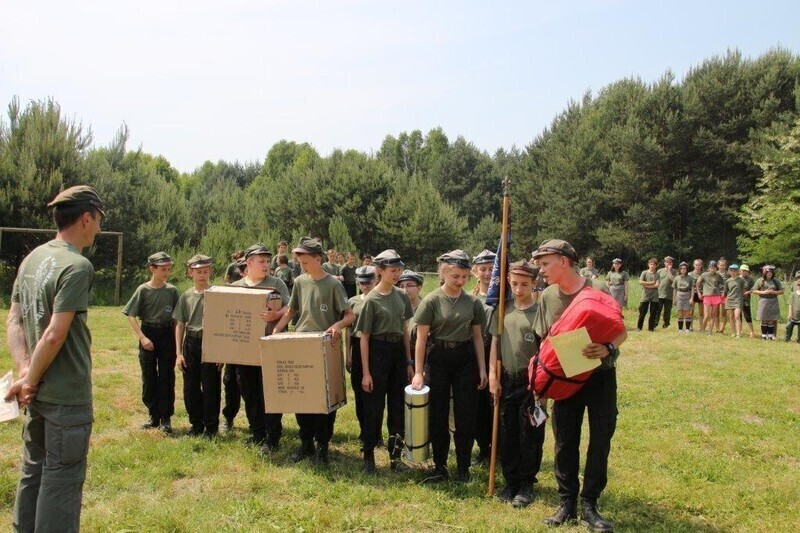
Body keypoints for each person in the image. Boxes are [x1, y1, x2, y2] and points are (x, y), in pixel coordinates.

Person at [5, 185, 105, 533]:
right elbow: (53, 333)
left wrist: (24, 373)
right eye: (98, 221)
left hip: (37, 394)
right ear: (86, 217)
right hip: (66, 396)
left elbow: (13, 320)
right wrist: (29, 379)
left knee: (34, 469)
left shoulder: (31, 259)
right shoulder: (77, 266)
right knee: (62, 479)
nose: (99, 229)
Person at [530, 239, 626, 532]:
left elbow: (621, 330)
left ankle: (590, 505)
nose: (542, 271)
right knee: (564, 440)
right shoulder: (547, 296)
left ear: (564, 261)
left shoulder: (597, 290)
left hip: (599, 377)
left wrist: (608, 347)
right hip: (565, 381)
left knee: (600, 439)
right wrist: (540, 386)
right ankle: (567, 503)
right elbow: (542, 341)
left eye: (545, 264)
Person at [273, 237, 354, 466]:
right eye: (299, 260)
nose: (301, 264)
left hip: (326, 347)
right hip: (302, 345)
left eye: (305, 260)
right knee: (302, 396)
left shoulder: (333, 285)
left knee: (325, 400)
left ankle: (323, 446)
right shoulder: (299, 281)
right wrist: (277, 331)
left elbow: (349, 315)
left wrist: (337, 326)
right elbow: (291, 311)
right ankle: (305, 442)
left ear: (318, 259)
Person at [411, 250, 487, 483]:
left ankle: (463, 466)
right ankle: (440, 465)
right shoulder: (432, 301)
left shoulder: (473, 303)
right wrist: (418, 372)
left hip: (465, 359)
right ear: (444, 274)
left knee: (466, 415)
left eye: (465, 276)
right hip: (439, 358)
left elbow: (477, 338)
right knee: (438, 414)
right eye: (456, 276)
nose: (461, 281)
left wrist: (482, 369)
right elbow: (421, 338)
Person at [488, 260, 545, 509]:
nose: (518, 289)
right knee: (507, 432)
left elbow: (546, 352)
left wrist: (543, 390)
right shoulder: (503, 310)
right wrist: (492, 375)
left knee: (531, 433)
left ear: (534, 284)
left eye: (524, 284)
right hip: (506, 379)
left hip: (532, 382)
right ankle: (510, 481)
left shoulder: (540, 313)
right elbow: (494, 344)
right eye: (514, 284)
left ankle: (526, 483)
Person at [356, 250, 414, 473]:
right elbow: (364, 338)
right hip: (377, 351)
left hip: (398, 352)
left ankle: (395, 457)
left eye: (399, 270)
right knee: (374, 407)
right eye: (393, 270)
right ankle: (369, 456)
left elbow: (405, 329)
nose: (397, 274)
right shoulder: (371, 300)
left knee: (398, 407)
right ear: (380, 272)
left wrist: (408, 361)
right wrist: (367, 373)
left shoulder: (401, 295)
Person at [230, 243, 291, 453]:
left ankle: (272, 437)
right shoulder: (237, 287)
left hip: (271, 348)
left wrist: (277, 314)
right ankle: (257, 433)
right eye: (261, 261)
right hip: (244, 351)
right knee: (249, 392)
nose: (266, 265)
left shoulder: (277, 284)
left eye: (268, 261)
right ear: (249, 263)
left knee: (271, 392)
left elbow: (291, 307)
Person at [122, 251, 180, 433]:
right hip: (148, 333)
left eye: (169, 269)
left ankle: (166, 418)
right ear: (152, 269)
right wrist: (142, 337)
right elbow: (131, 315)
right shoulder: (143, 290)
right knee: (148, 376)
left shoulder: (172, 291)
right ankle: (153, 415)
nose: (166, 273)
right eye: (163, 269)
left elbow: (178, 318)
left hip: (167, 334)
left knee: (166, 376)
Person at [174, 254, 222, 436]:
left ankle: (211, 427)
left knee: (211, 386)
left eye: (205, 271)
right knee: (190, 386)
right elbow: (180, 324)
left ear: (209, 271)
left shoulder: (217, 294)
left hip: (211, 341)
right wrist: (179, 353)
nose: (202, 275)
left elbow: (223, 325)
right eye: (198, 272)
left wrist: (221, 352)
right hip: (191, 343)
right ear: (190, 273)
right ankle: (196, 424)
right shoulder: (186, 296)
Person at [347, 265, 377, 448]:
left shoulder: (378, 299)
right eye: (362, 283)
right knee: (359, 390)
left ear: (375, 281)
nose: (365, 286)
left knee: (376, 392)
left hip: (376, 345)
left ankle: (374, 431)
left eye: (368, 282)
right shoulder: (352, 301)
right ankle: (363, 429)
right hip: (358, 346)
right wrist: (348, 354)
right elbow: (349, 329)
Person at [471, 248, 496, 466]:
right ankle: (482, 447)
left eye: (491, 268)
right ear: (475, 272)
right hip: (476, 356)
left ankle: (498, 447)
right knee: (478, 406)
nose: (488, 273)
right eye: (483, 269)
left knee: (495, 404)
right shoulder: (470, 299)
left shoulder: (502, 298)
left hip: (497, 355)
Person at [753, 265, 783, 340]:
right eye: (768, 273)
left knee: (771, 320)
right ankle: (763, 336)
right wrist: (764, 292)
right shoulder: (760, 280)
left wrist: (774, 292)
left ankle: (770, 336)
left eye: (771, 273)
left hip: (773, 301)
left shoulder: (775, 280)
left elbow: (782, 291)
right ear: (764, 273)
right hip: (763, 301)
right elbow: (754, 291)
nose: (769, 274)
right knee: (764, 319)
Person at [697, 261, 724, 335]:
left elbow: (723, 284)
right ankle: (702, 329)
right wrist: (699, 292)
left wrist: (723, 292)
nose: (712, 269)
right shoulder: (704, 275)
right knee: (706, 315)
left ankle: (710, 331)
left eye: (714, 268)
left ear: (716, 268)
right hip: (707, 296)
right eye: (711, 268)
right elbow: (698, 283)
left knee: (713, 315)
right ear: (709, 268)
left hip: (716, 296)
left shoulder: (718, 276)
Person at [637, 258, 660, 332]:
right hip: (645, 295)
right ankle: (639, 327)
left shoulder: (657, 274)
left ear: (656, 266)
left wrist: (646, 285)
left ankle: (651, 328)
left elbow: (657, 285)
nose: (652, 266)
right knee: (642, 312)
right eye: (651, 264)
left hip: (654, 296)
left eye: (654, 264)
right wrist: (651, 283)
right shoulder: (644, 273)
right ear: (648, 265)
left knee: (653, 313)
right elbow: (640, 282)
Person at [723, 264, 746, 338]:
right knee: (731, 317)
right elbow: (726, 291)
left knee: (737, 316)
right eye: (731, 270)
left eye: (735, 270)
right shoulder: (728, 281)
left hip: (738, 300)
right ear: (729, 271)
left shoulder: (741, 280)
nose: (733, 272)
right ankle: (733, 332)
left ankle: (739, 333)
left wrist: (743, 295)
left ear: (737, 271)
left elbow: (743, 289)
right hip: (730, 299)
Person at [655, 256, 676, 329]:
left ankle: (666, 324)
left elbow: (673, 280)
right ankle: (655, 323)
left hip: (669, 295)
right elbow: (656, 280)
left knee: (667, 311)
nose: (668, 263)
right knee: (657, 310)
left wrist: (669, 270)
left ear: (672, 263)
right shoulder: (659, 271)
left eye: (670, 262)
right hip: (659, 294)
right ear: (664, 263)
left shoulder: (674, 271)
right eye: (667, 262)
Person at [673, 262, 695, 332]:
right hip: (679, 294)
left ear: (687, 269)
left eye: (684, 268)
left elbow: (692, 289)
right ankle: (680, 329)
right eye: (681, 268)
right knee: (680, 312)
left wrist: (692, 298)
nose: (683, 270)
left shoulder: (690, 278)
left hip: (687, 294)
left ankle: (687, 329)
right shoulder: (676, 278)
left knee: (688, 312)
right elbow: (675, 289)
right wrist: (674, 298)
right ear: (679, 269)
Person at [740, 264, 757, 338]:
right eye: (743, 271)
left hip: (746, 300)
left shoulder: (750, 279)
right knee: (738, 316)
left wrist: (748, 292)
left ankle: (752, 331)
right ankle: (739, 331)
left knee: (747, 316)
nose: (745, 272)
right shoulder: (737, 278)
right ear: (740, 271)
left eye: (746, 271)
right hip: (737, 300)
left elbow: (754, 289)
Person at [785, 272, 800, 342]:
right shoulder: (794, 284)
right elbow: (790, 303)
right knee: (789, 326)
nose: (799, 278)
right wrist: (790, 313)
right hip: (794, 310)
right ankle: (787, 338)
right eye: (798, 277)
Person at [690, 259, 705, 327]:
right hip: (692, 293)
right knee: (691, 311)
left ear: (701, 265)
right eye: (696, 265)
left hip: (701, 293)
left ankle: (702, 327)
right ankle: (690, 327)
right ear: (693, 265)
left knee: (701, 312)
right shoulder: (690, 274)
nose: (697, 266)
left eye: (699, 265)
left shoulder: (704, 274)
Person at [717, 258, 731, 333]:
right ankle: (717, 327)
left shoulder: (728, 274)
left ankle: (722, 328)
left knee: (724, 312)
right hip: (716, 294)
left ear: (726, 266)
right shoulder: (715, 273)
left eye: (724, 265)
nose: (722, 266)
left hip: (725, 295)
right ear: (718, 265)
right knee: (716, 312)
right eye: (721, 265)